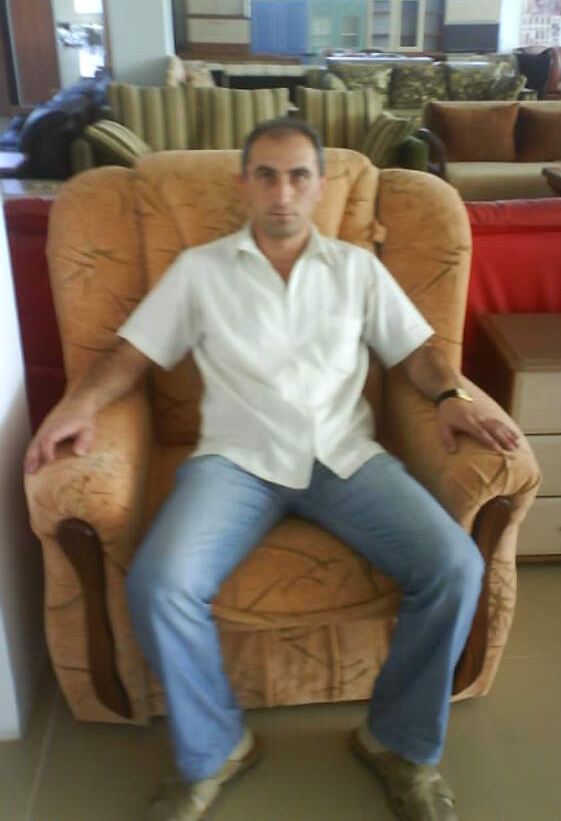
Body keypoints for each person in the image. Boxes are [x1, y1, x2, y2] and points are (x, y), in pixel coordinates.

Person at [24, 118, 520, 821]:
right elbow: (131, 354)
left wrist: (450, 399)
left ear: (318, 187)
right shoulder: (200, 271)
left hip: (344, 458)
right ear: (245, 185)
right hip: (236, 463)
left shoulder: (356, 269)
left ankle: (397, 744)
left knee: (454, 567)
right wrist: (78, 405)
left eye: (297, 176)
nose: (282, 192)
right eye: (266, 175)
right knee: (160, 582)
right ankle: (216, 749)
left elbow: (415, 351)